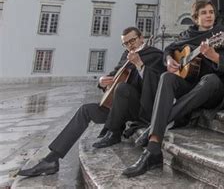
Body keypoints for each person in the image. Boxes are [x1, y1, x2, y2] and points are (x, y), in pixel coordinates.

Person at [122, 0, 224, 178]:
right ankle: (153, 151)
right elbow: (169, 49)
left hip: (217, 88)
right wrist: (168, 60)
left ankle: (155, 127)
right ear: (196, 18)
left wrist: (216, 58)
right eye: (204, 12)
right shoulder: (187, 35)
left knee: (210, 80)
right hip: (192, 86)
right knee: (167, 77)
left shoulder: (221, 34)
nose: (209, 16)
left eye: (211, 12)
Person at [18, 27, 165, 178]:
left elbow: (158, 85)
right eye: (126, 43)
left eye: (132, 40)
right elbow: (115, 75)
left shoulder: (156, 54)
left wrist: (140, 65)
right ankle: (51, 160)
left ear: (141, 38)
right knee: (85, 110)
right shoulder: (126, 55)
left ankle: (114, 132)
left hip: (139, 108)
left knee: (122, 88)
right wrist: (102, 81)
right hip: (117, 109)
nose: (130, 45)